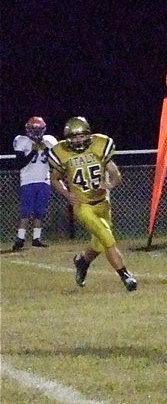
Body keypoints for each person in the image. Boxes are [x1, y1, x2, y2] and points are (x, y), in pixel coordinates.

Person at [48, 117, 138, 291]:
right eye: (73, 137)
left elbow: (115, 174)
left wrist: (110, 184)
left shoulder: (99, 145)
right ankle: (125, 276)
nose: (78, 140)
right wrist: (67, 194)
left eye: (81, 136)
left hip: (103, 202)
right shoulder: (62, 153)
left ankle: (82, 262)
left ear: (88, 134)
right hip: (83, 205)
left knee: (98, 244)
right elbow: (54, 178)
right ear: (68, 138)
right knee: (107, 238)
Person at [12, 116, 58, 250]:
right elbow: (20, 163)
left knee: (40, 211)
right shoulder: (22, 140)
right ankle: (20, 239)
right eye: (34, 129)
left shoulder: (49, 141)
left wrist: (45, 150)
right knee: (26, 211)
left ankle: (36, 238)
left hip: (44, 179)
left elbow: (55, 160)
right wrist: (34, 151)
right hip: (28, 180)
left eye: (38, 129)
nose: (36, 132)